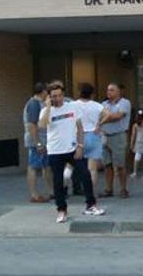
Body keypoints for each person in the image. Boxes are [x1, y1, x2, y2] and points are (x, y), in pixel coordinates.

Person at [38, 83, 105, 222]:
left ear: (63, 95)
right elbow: (42, 125)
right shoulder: (45, 111)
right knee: (58, 181)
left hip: (72, 149)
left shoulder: (72, 107)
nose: (58, 98)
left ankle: (91, 205)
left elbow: (79, 127)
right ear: (49, 97)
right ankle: (61, 210)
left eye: (60, 95)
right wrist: (49, 107)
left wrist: (80, 146)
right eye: (54, 96)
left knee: (85, 175)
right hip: (55, 151)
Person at [74, 83, 109, 193]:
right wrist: (99, 123)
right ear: (92, 94)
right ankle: (91, 192)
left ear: (80, 92)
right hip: (93, 135)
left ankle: (66, 183)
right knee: (92, 169)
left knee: (71, 164)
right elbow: (108, 114)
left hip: (78, 136)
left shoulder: (73, 105)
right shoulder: (96, 105)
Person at [100, 83, 132, 199]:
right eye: (108, 90)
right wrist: (107, 117)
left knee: (120, 164)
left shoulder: (125, 103)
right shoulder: (103, 104)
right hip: (105, 136)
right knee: (107, 164)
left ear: (119, 92)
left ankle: (123, 189)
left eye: (112, 90)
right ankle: (109, 189)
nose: (109, 92)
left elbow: (117, 116)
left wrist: (103, 121)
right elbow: (101, 116)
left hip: (118, 136)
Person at [23, 82, 53, 203]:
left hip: (44, 140)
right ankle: (34, 194)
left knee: (46, 166)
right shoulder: (34, 104)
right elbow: (32, 125)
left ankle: (51, 191)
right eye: (48, 91)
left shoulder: (40, 103)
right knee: (33, 166)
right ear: (44, 91)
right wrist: (38, 143)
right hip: (37, 141)